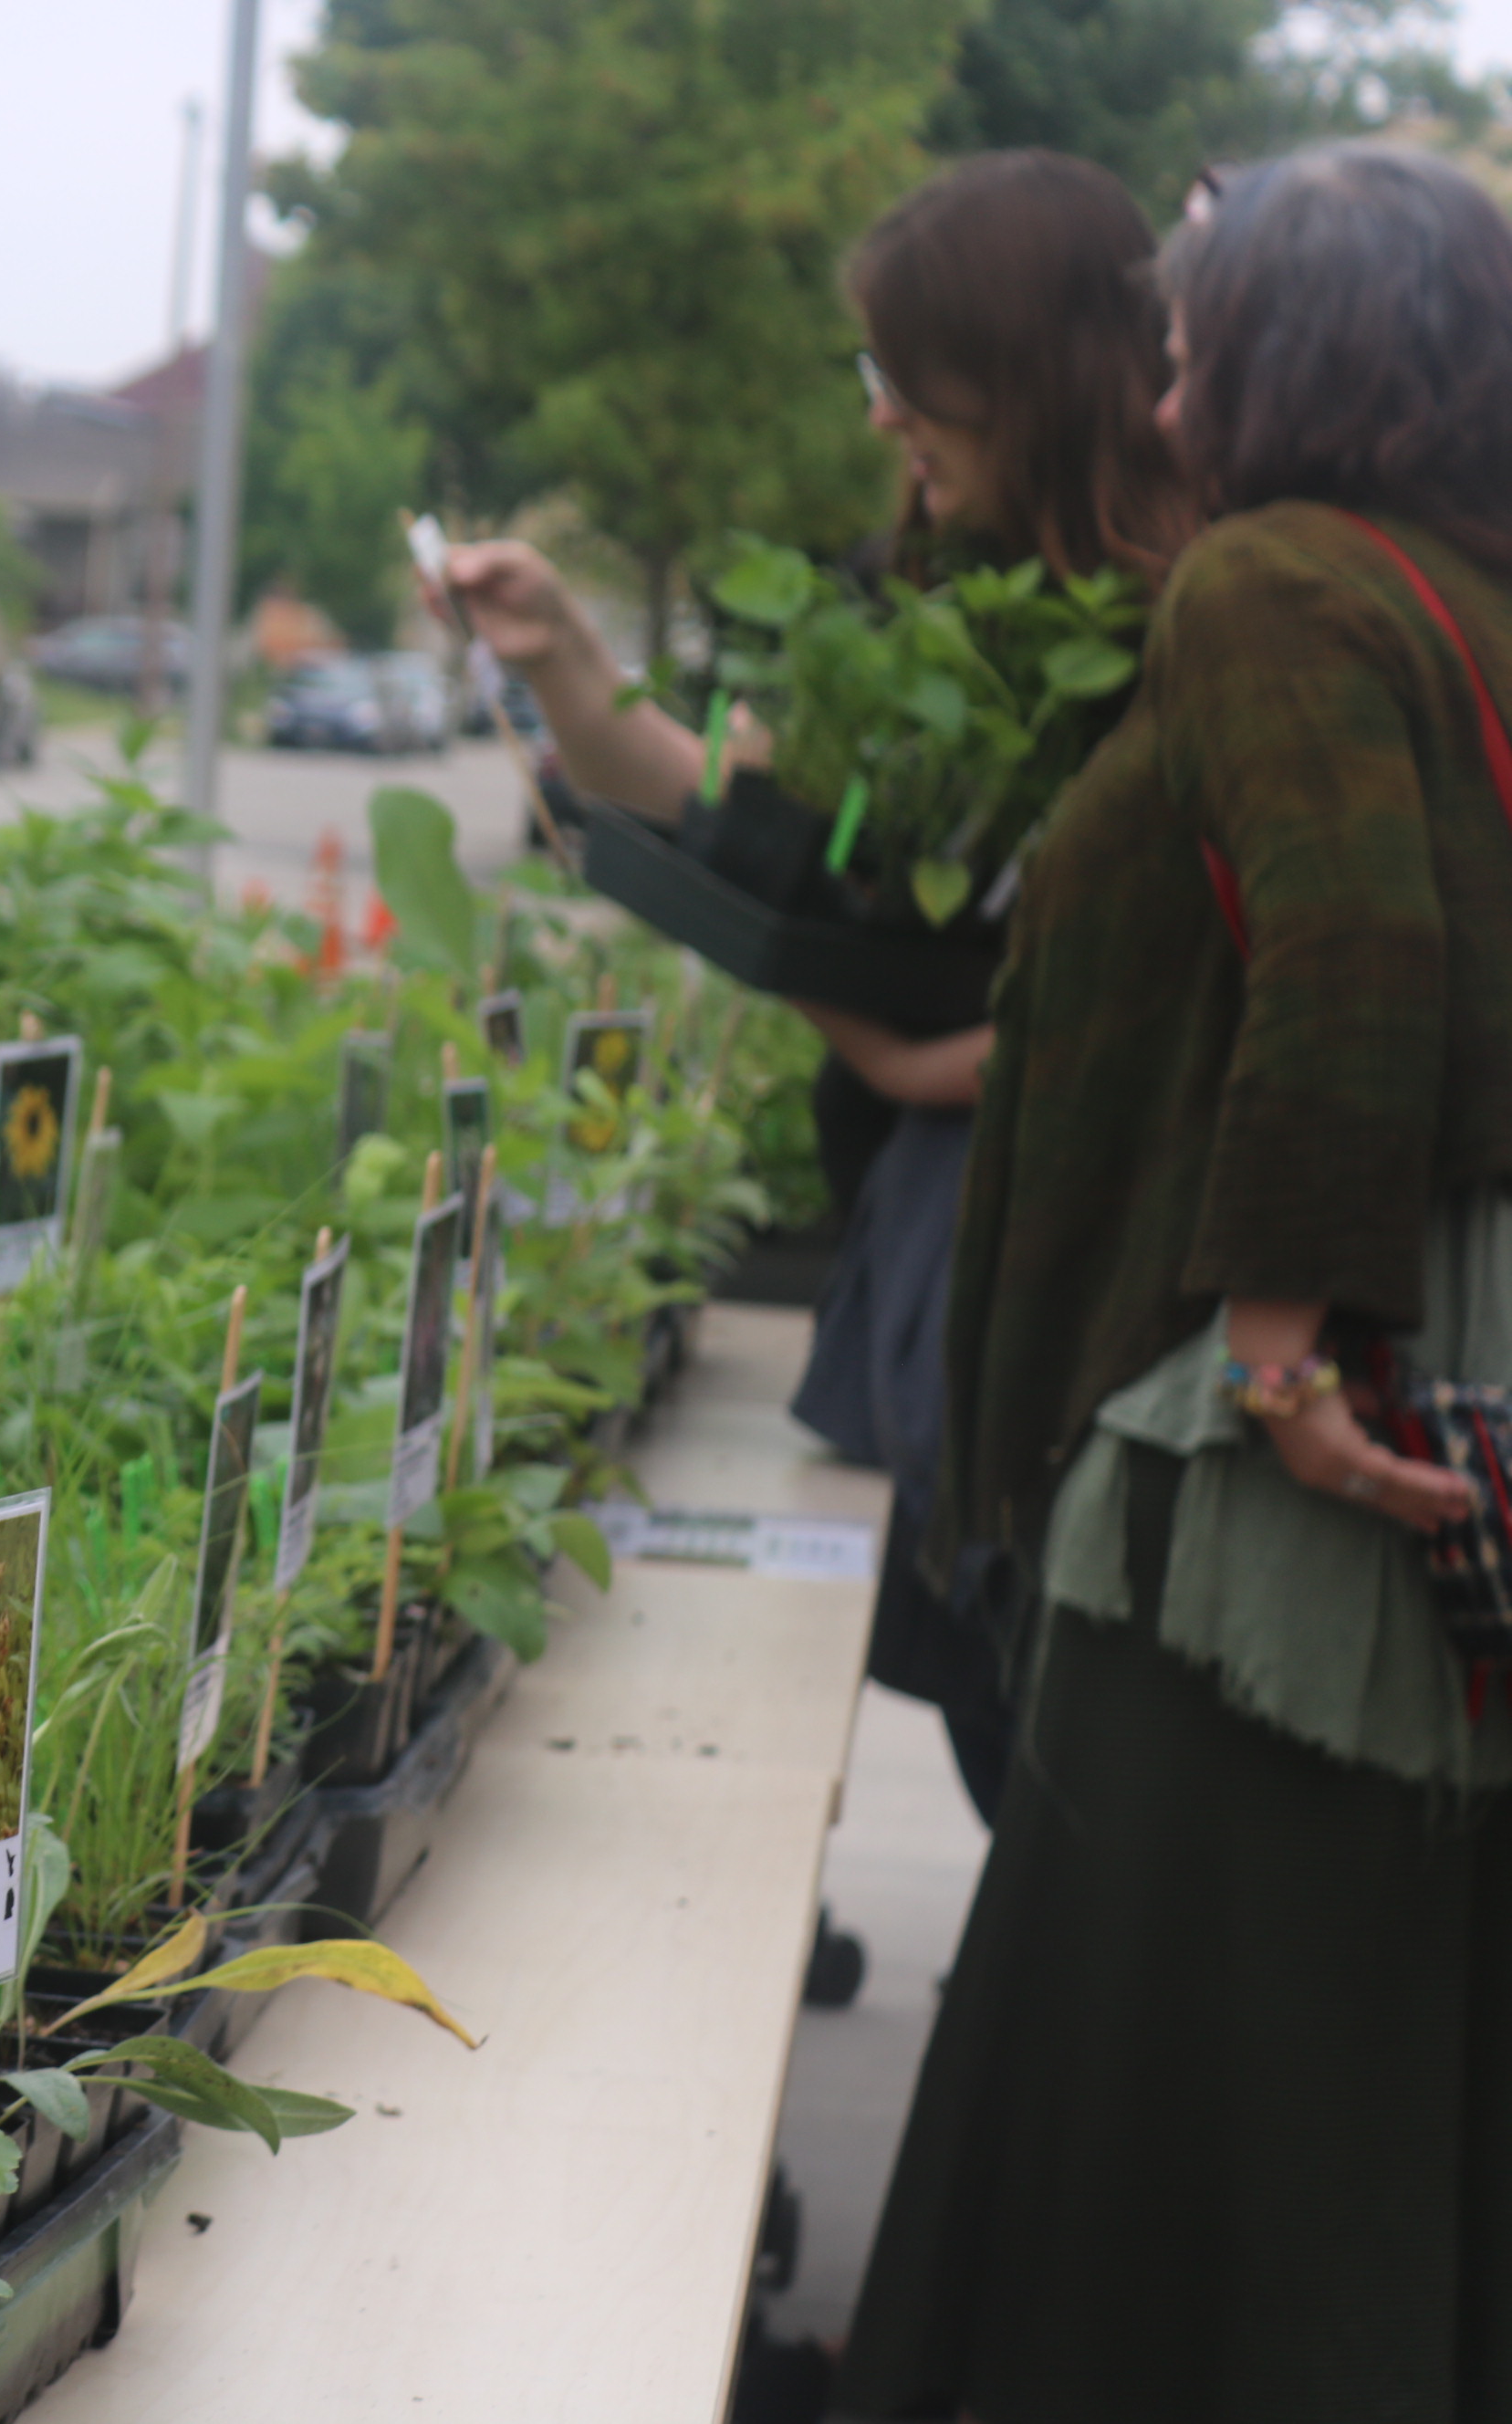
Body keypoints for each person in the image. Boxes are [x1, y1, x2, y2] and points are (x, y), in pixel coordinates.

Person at [839, 142, 1512, 2423]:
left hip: (1312, 1388)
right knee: (1380, 1991)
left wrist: (1278, 1365)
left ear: (1296, 358)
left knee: (1153, 1990)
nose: (1168, 369)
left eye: (1201, 326)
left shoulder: (1272, 584)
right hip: (1458, 1330)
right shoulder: (1464, 587)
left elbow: (1355, 950)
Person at [442, 151, 1195, 1823]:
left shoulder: (1196, 632)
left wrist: (943, 1061)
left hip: (1108, 1299)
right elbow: (720, 790)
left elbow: (1201, 987)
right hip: (962, 1274)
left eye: (906, 377)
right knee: (1022, 1737)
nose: (881, 419)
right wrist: (560, 646)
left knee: (1073, 1752)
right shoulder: (934, 614)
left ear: (1026, 372)